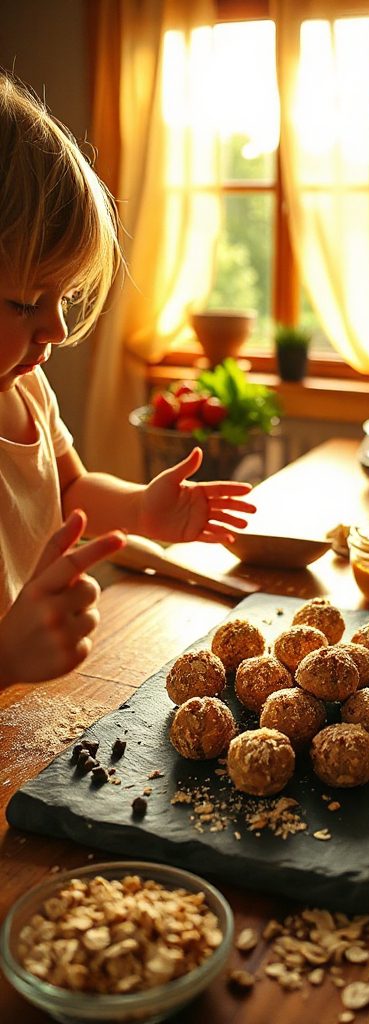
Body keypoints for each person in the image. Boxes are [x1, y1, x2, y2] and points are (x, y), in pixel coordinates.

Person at [0, 71, 256, 687]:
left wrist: (141, 509)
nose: (57, 328)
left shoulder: (26, 389)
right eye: (27, 301)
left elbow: (70, 493)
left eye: (63, 296)